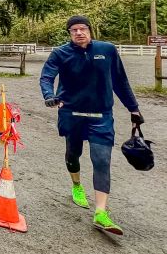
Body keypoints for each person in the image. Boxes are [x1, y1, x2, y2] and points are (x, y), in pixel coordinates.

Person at [40, 15, 144, 235]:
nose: (79, 32)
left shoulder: (107, 50)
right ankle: (77, 186)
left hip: (101, 115)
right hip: (72, 113)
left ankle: (101, 213)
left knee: (102, 160)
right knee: (73, 154)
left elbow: (120, 81)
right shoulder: (60, 53)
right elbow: (46, 77)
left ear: (90, 30)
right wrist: (49, 95)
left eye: (83, 28)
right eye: (74, 30)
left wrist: (133, 109)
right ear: (69, 33)